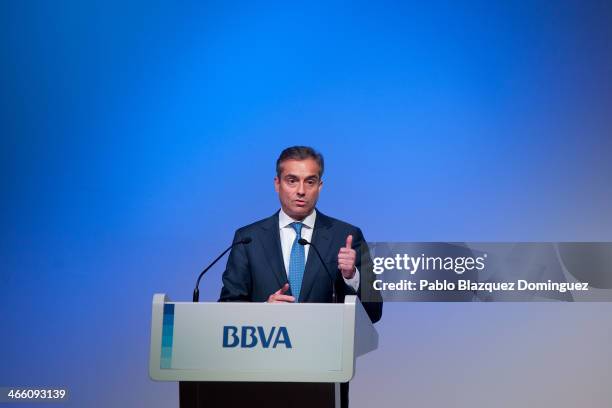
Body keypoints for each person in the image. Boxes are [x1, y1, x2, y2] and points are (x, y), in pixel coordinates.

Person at [219, 146, 382, 407]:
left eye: (310, 181)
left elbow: (374, 310)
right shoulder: (248, 238)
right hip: (259, 375)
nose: (301, 191)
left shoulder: (347, 235)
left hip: (323, 376)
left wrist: (352, 276)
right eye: (292, 180)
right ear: (277, 183)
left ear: (321, 185)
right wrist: (261, 311)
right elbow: (226, 308)